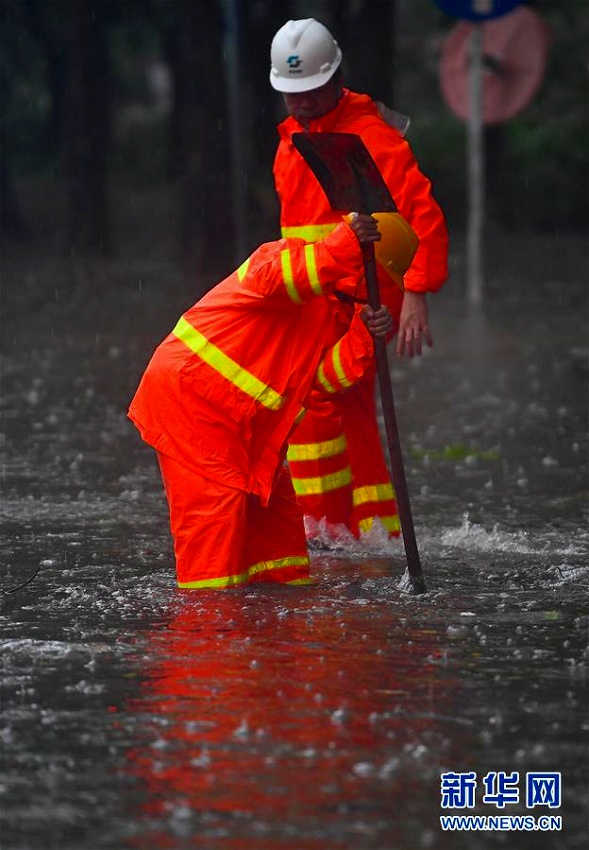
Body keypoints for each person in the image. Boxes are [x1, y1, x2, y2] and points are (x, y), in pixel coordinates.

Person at [128, 214, 404, 590]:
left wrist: (362, 337)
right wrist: (341, 247)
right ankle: (207, 637)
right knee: (213, 555)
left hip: (252, 432)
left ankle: (272, 639)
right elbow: (277, 281)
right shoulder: (284, 257)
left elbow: (320, 381)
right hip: (195, 408)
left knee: (281, 551)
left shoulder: (338, 312)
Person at [269, 18, 449, 543]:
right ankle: (366, 534)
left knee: (315, 394)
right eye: (290, 94)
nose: (300, 103)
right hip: (316, 303)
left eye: (310, 92)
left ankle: (323, 531)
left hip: (364, 303)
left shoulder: (369, 135)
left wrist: (416, 294)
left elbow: (423, 215)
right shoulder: (292, 141)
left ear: (334, 78)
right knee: (346, 414)